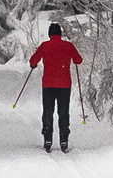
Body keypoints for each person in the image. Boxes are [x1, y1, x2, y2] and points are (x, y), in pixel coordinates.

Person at [28, 23, 83, 153]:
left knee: (48, 111)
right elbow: (78, 60)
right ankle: (64, 140)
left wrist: (34, 65)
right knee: (63, 112)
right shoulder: (68, 46)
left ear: (49, 34)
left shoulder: (45, 46)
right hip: (64, 84)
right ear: (60, 33)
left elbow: (32, 61)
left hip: (48, 84)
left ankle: (48, 139)